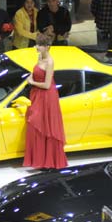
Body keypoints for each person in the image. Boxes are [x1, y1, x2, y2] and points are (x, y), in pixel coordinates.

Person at [23, 33, 67, 170]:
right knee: (36, 127)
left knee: (46, 128)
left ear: (47, 47)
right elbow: (35, 72)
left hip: (47, 97)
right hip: (37, 95)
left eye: (39, 45)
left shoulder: (50, 62)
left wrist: (32, 82)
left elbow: (47, 85)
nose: (36, 46)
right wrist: (31, 77)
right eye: (37, 44)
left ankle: (49, 161)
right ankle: (39, 160)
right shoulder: (39, 56)